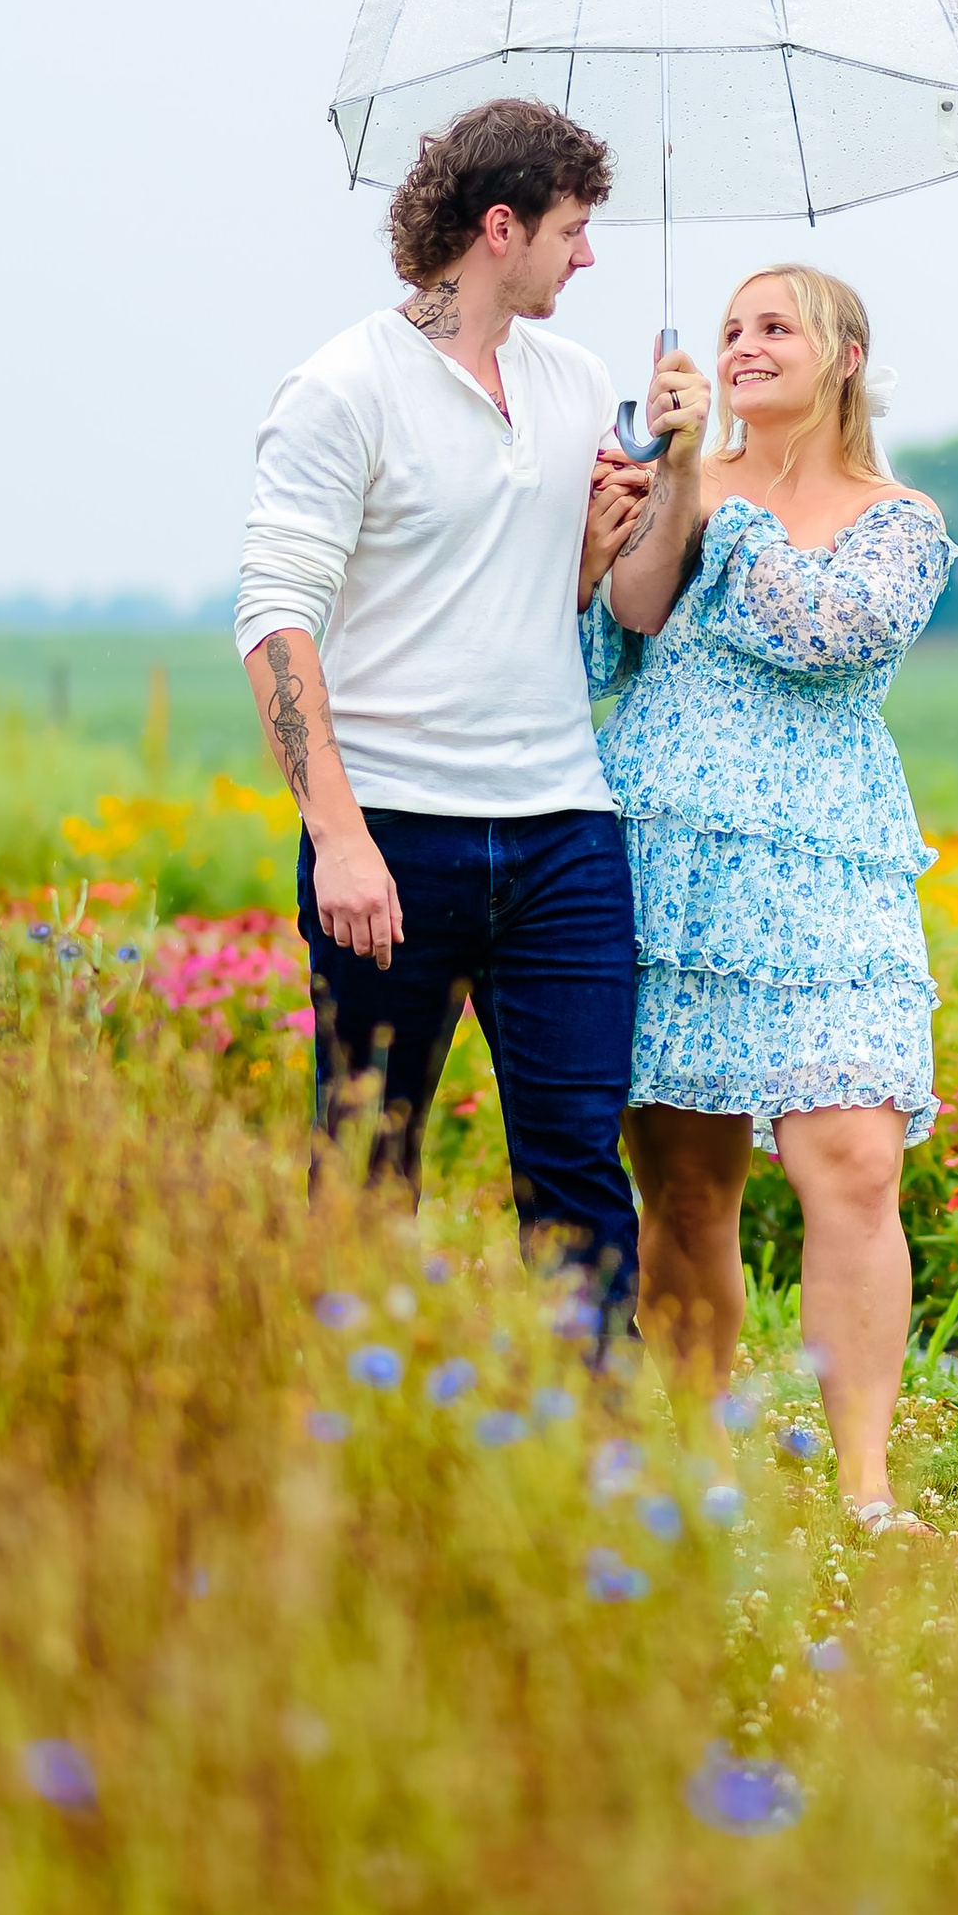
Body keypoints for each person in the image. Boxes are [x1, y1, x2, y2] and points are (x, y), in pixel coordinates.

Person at [234, 96, 651, 1327]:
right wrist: (339, 839)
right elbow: (274, 623)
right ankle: (361, 1446)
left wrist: (607, 532)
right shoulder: (340, 388)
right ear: (501, 225)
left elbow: (544, 599)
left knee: (577, 1166)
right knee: (370, 1166)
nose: (589, 256)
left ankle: (601, 1471)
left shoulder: (575, 381)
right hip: (394, 835)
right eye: (573, 230)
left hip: (563, 829)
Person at [589, 265, 957, 1528]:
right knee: (686, 1188)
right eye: (732, 328)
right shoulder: (670, 484)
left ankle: (864, 1482)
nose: (743, 347)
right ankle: (699, 1460)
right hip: (665, 869)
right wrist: (664, 489)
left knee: (852, 1161)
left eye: (774, 327)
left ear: (845, 354)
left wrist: (720, 516)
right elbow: (612, 634)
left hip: (826, 869)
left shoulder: (899, 519)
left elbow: (827, 634)